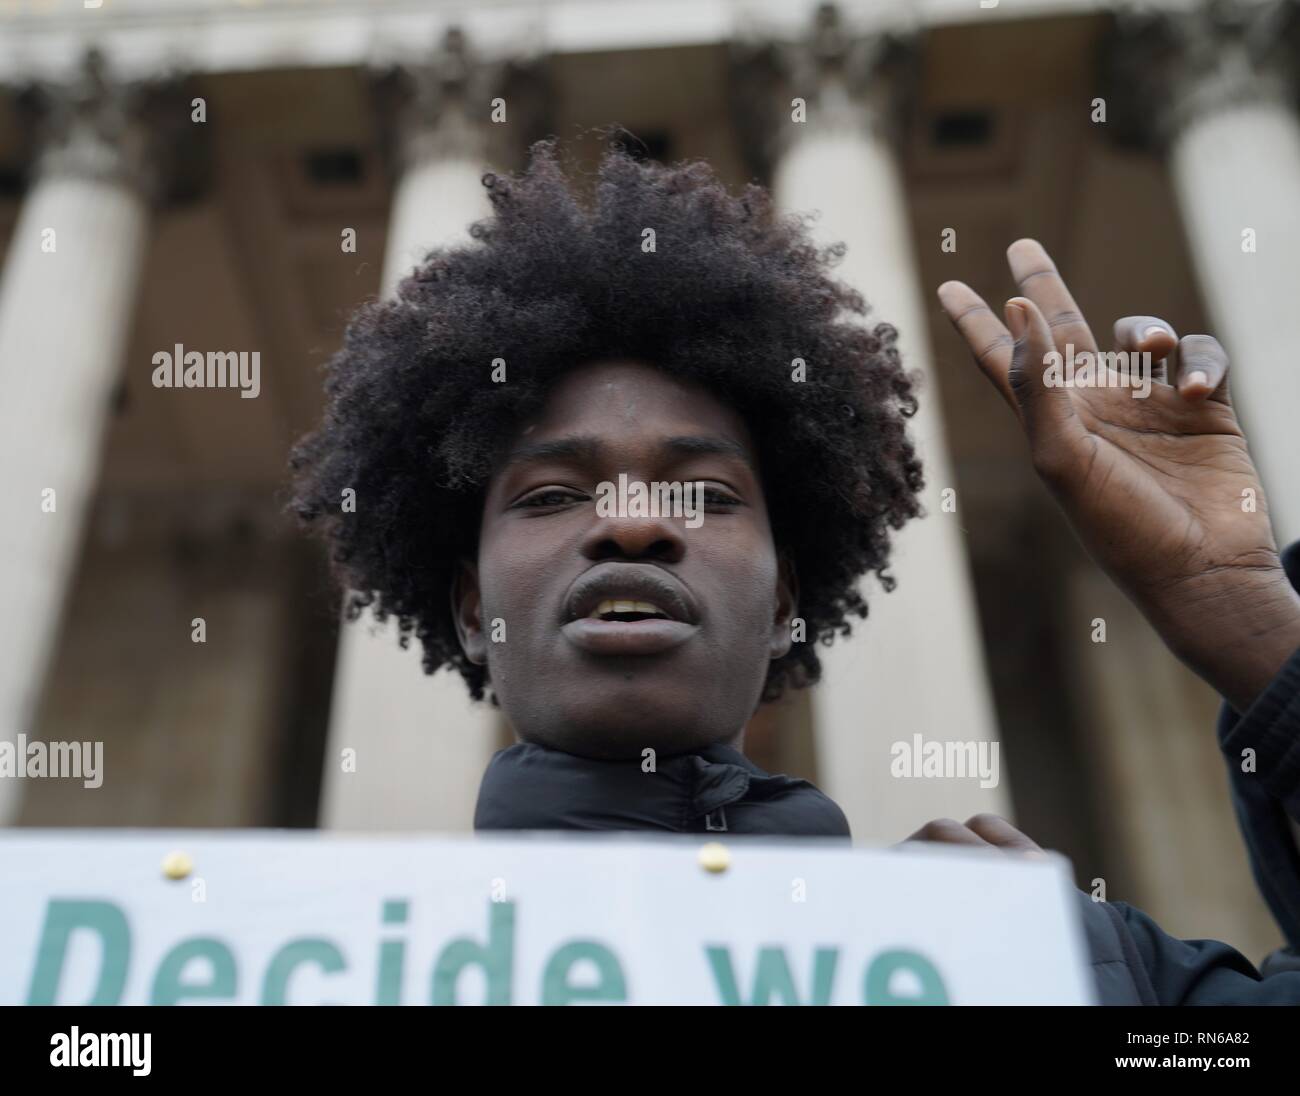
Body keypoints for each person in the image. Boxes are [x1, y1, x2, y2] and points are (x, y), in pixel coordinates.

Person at [290, 140, 1300, 1003]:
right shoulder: (293, 972)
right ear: (471, 609)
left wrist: (1247, 622)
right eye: (552, 494)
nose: (634, 523)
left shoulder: (1030, 959)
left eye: (710, 494)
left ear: (783, 605)